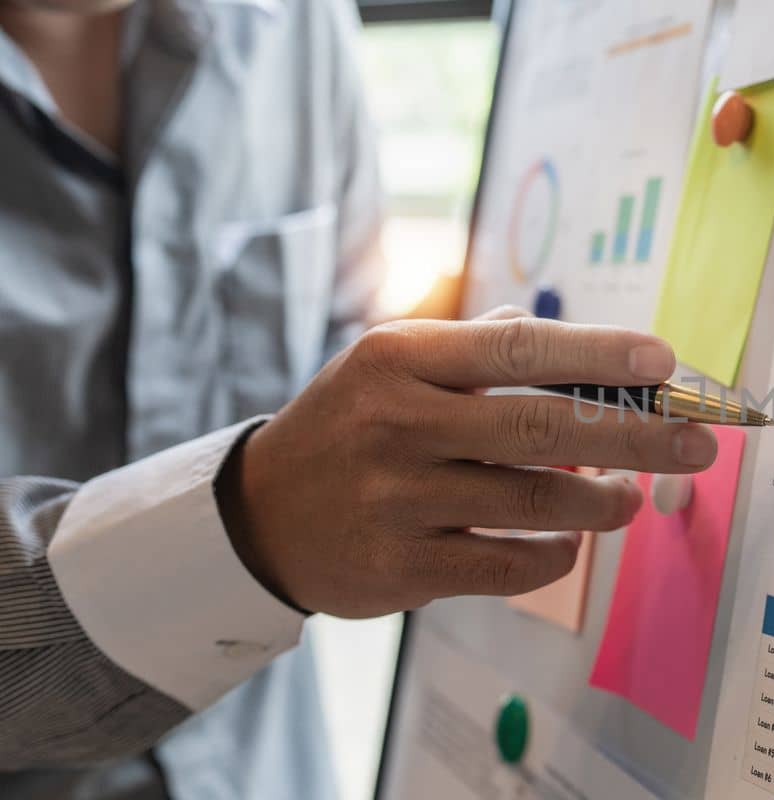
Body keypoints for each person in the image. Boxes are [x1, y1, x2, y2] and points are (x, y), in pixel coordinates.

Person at [0, 0, 719, 795]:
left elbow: (335, 347)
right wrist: (249, 523)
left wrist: (432, 377)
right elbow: (289, 480)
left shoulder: (301, 24)